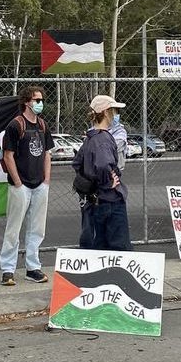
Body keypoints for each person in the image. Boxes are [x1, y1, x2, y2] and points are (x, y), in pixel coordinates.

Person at [0, 85, 53, 286]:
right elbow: (8, 155)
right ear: (26, 102)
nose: (40, 103)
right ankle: (7, 268)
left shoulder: (43, 125)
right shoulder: (15, 125)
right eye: (36, 100)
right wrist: (18, 181)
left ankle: (33, 267)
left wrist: (46, 179)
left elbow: (47, 153)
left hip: (39, 184)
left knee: (37, 228)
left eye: (41, 100)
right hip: (20, 185)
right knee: (13, 227)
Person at [72, 94, 133, 251]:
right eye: (113, 110)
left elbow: (77, 163)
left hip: (93, 200)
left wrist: (89, 183)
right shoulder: (104, 138)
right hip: (109, 199)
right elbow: (104, 164)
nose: (115, 115)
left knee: (95, 243)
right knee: (119, 246)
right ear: (106, 112)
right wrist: (107, 182)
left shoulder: (89, 138)